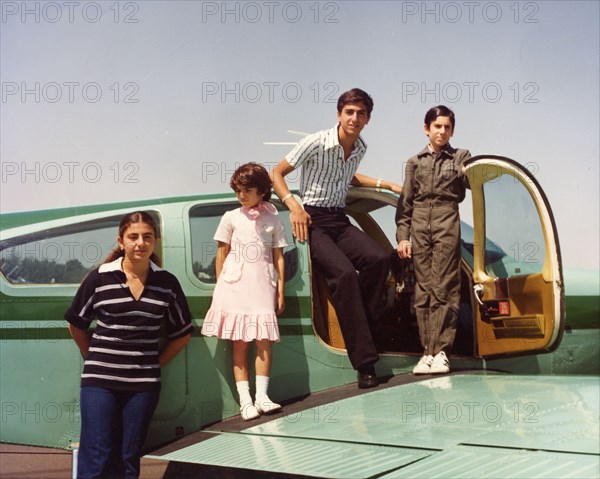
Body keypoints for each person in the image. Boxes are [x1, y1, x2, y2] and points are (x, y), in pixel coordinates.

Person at [271, 88, 402, 389]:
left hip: (339, 220)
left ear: (368, 119)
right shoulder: (316, 142)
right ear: (339, 114)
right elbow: (276, 173)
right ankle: (366, 364)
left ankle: (362, 324)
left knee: (379, 259)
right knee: (344, 275)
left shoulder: (360, 147)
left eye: (361, 113)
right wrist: (294, 207)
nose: (355, 118)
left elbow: (349, 177)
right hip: (313, 220)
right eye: (349, 112)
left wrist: (388, 184)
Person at [65, 211, 193, 479]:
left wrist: (154, 365)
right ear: (121, 241)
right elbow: (76, 323)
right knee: (97, 455)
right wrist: (94, 358)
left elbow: (182, 332)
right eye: (133, 237)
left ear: (155, 241)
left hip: (143, 386)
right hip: (100, 382)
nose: (140, 243)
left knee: (128, 458)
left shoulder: (167, 283)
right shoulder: (100, 278)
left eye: (147, 237)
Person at [201, 163, 288, 420]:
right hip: (235, 285)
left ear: (262, 190)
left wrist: (280, 290)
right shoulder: (231, 217)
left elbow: (279, 256)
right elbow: (221, 254)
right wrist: (222, 288)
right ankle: (246, 401)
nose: (242, 196)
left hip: (262, 284)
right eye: (238, 190)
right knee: (240, 343)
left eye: (247, 190)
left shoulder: (274, 219)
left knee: (264, 342)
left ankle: (262, 396)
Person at [396, 105, 471, 375]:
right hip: (418, 225)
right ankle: (426, 352)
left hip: (446, 222)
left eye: (447, 127)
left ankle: (441, 352)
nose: (442, 131)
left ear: (452, 131)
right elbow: (405, 204)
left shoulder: (461, 156)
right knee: (422, 292)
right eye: (437, 126)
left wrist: (471, 171)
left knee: (444, 289)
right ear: (426, 129)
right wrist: (403, 237)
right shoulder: (414, 162)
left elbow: (476, 182)